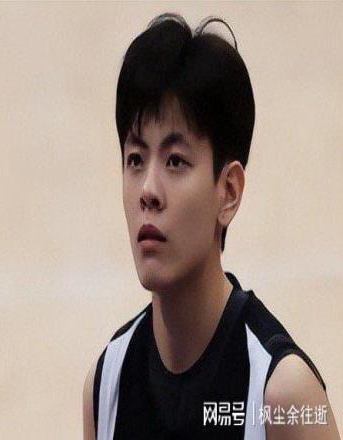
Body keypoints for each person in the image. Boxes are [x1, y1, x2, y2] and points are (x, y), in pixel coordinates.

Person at [83, 12, 340, 440]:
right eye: (135, 159)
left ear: (229, 192)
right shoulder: (106, 383)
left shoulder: (284, 397)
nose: (148, 190)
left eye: (175, 161)